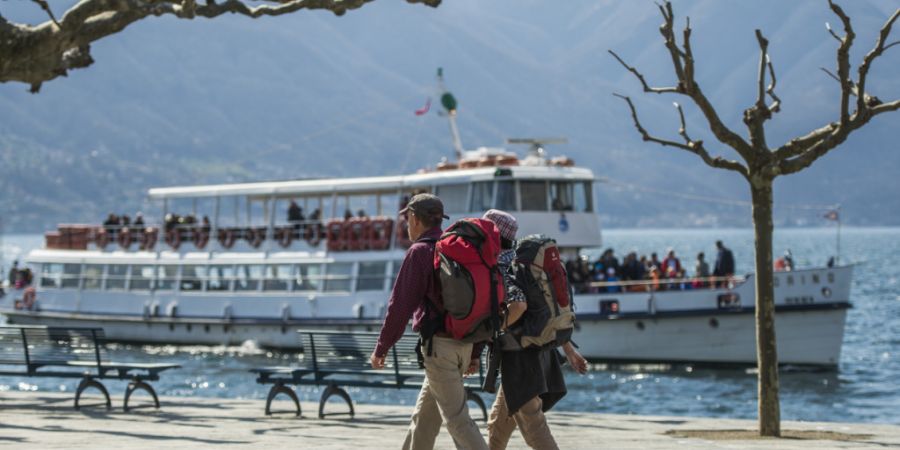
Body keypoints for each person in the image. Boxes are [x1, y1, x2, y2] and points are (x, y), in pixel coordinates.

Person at [369, 194, 486, 450]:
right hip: (464, 344)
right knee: (424, 419)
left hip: (440, 348)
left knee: (458, 421)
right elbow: (481, 301)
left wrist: (382, 347)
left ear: (413, 218)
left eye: (407, 219)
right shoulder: (458, 248)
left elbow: (400, 306)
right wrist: (476, 351)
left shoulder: (420, 252)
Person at [481, 209, 588, 450]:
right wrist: (570, 351)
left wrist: (494, 329)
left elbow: (519, 305)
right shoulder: (523, 263)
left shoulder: (501, 266)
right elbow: (547, 311)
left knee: (533, 427)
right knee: (498, 424)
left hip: (520, 358)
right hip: (540, 349)